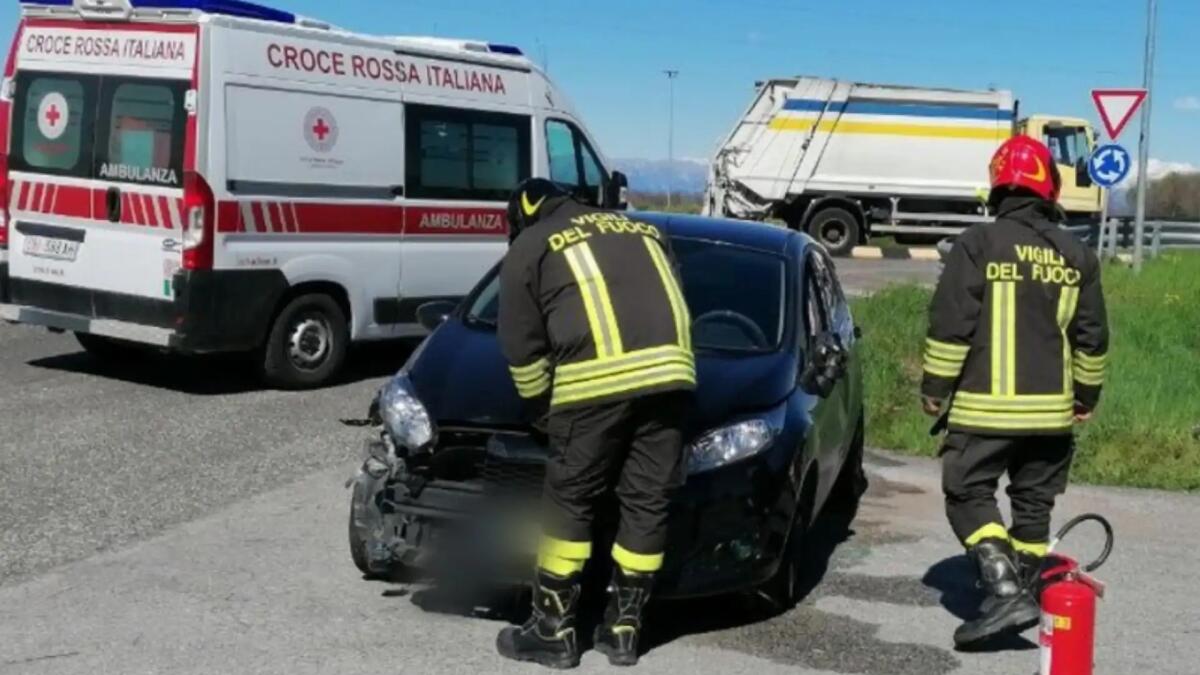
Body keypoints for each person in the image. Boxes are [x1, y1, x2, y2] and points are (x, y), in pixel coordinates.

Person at [495, 178, 695, 668]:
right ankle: (624, 631)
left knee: (570, 500)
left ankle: (552, 631)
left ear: (523, 214)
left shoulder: (532, 244)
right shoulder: (643, 230)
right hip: (672, 377)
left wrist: (541, 407)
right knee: (647, 502)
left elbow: (522, 347)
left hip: (591, 386)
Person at [920, 135, 1109, 648]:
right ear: (1050, 188)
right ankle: (1028, 590)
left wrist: (935, 388)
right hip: (1052, 416)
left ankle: (1003, 589)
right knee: (1033, 502)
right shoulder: (1077, 254)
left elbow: (952, 323)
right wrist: (1086, 397)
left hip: (984, 411)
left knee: (967, 491)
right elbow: (1092, 337)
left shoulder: (978, 244)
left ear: (997, 187)